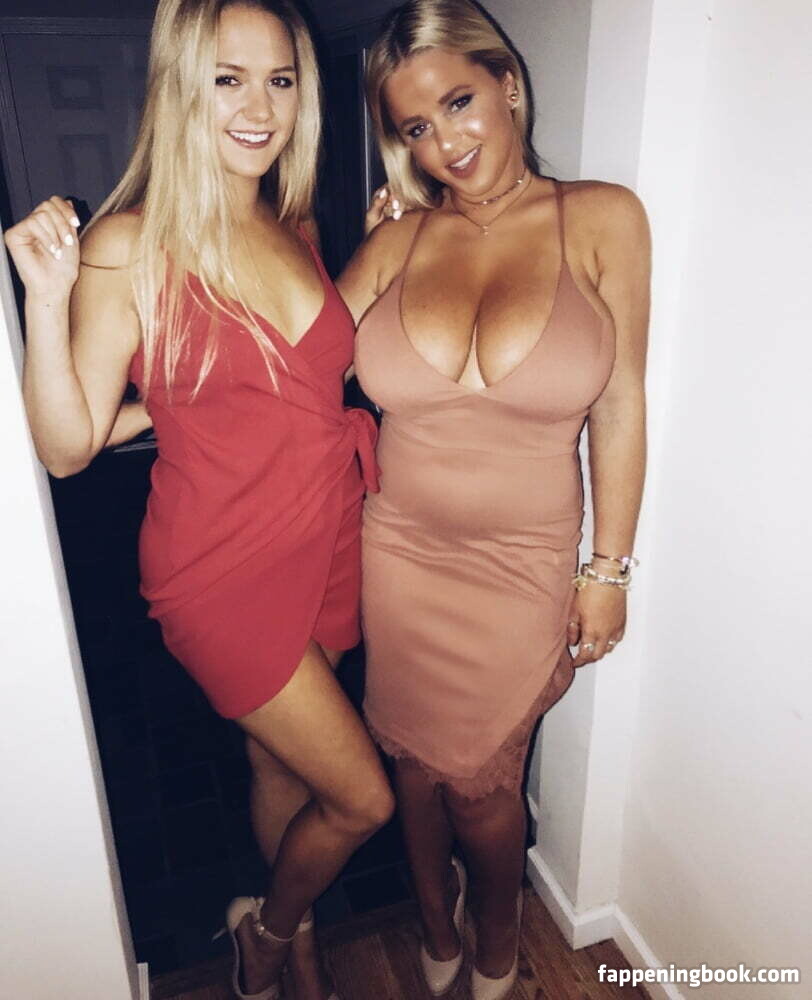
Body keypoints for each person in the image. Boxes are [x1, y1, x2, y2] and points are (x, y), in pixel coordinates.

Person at [3, 2, 394, 999]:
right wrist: (45, 301)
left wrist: (391, 247)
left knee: (281, 770)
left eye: (280, 80)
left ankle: (299, 946)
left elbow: (295, 375)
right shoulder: (128, 245)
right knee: (362, 801)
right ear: (182, 87)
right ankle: (265, 933)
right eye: (229, 79)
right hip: (221, 569)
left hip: (327, 535)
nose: (260, 107)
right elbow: (66, 446)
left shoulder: (293, 224)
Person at [338, 1, 650, 997]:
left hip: (522, 561)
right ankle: (434, 920)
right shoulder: (399, 240)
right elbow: (295, 365)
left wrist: (607, 570)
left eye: (459, 102)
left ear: (507, 83)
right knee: (411, 765)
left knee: (481, 783)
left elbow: (620, 404)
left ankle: (498, 938)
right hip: (398, 551)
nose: (445, 142)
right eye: (415, 127)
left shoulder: (601, 217)